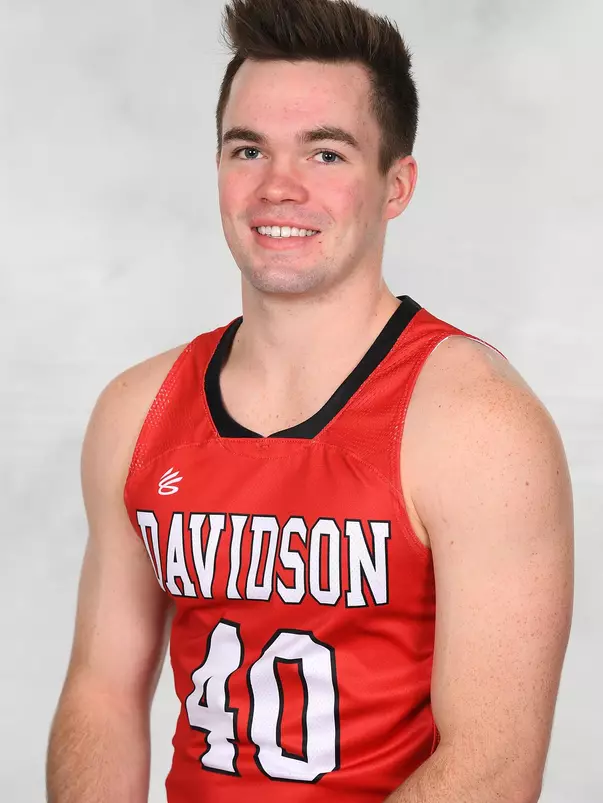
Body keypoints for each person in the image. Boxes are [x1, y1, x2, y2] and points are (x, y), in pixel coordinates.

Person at [46, 0, 574, 801]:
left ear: (394, 186)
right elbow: (102, 692)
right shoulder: (136, 408)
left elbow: (494, 765)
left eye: (325, 154)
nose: (277, 186)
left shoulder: (478, 424)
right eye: (248, 148)